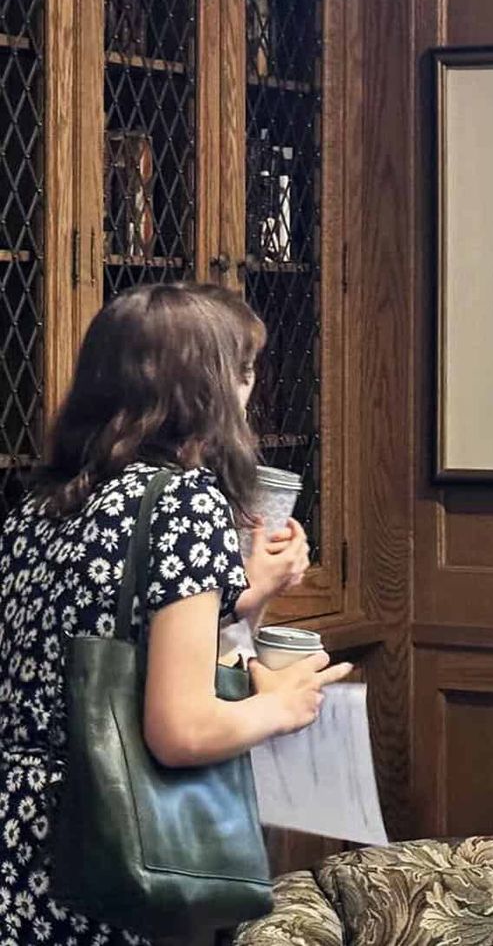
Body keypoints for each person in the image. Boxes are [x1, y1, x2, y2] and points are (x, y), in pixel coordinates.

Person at [0, 283, 351, 945]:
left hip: (24, 833)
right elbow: (180, 728)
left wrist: (245, 592)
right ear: (206, 387)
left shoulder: (40, 503)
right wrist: (284, 703)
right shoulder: (185, 500)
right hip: (113, 840)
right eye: (242, 374)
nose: (249, 393)